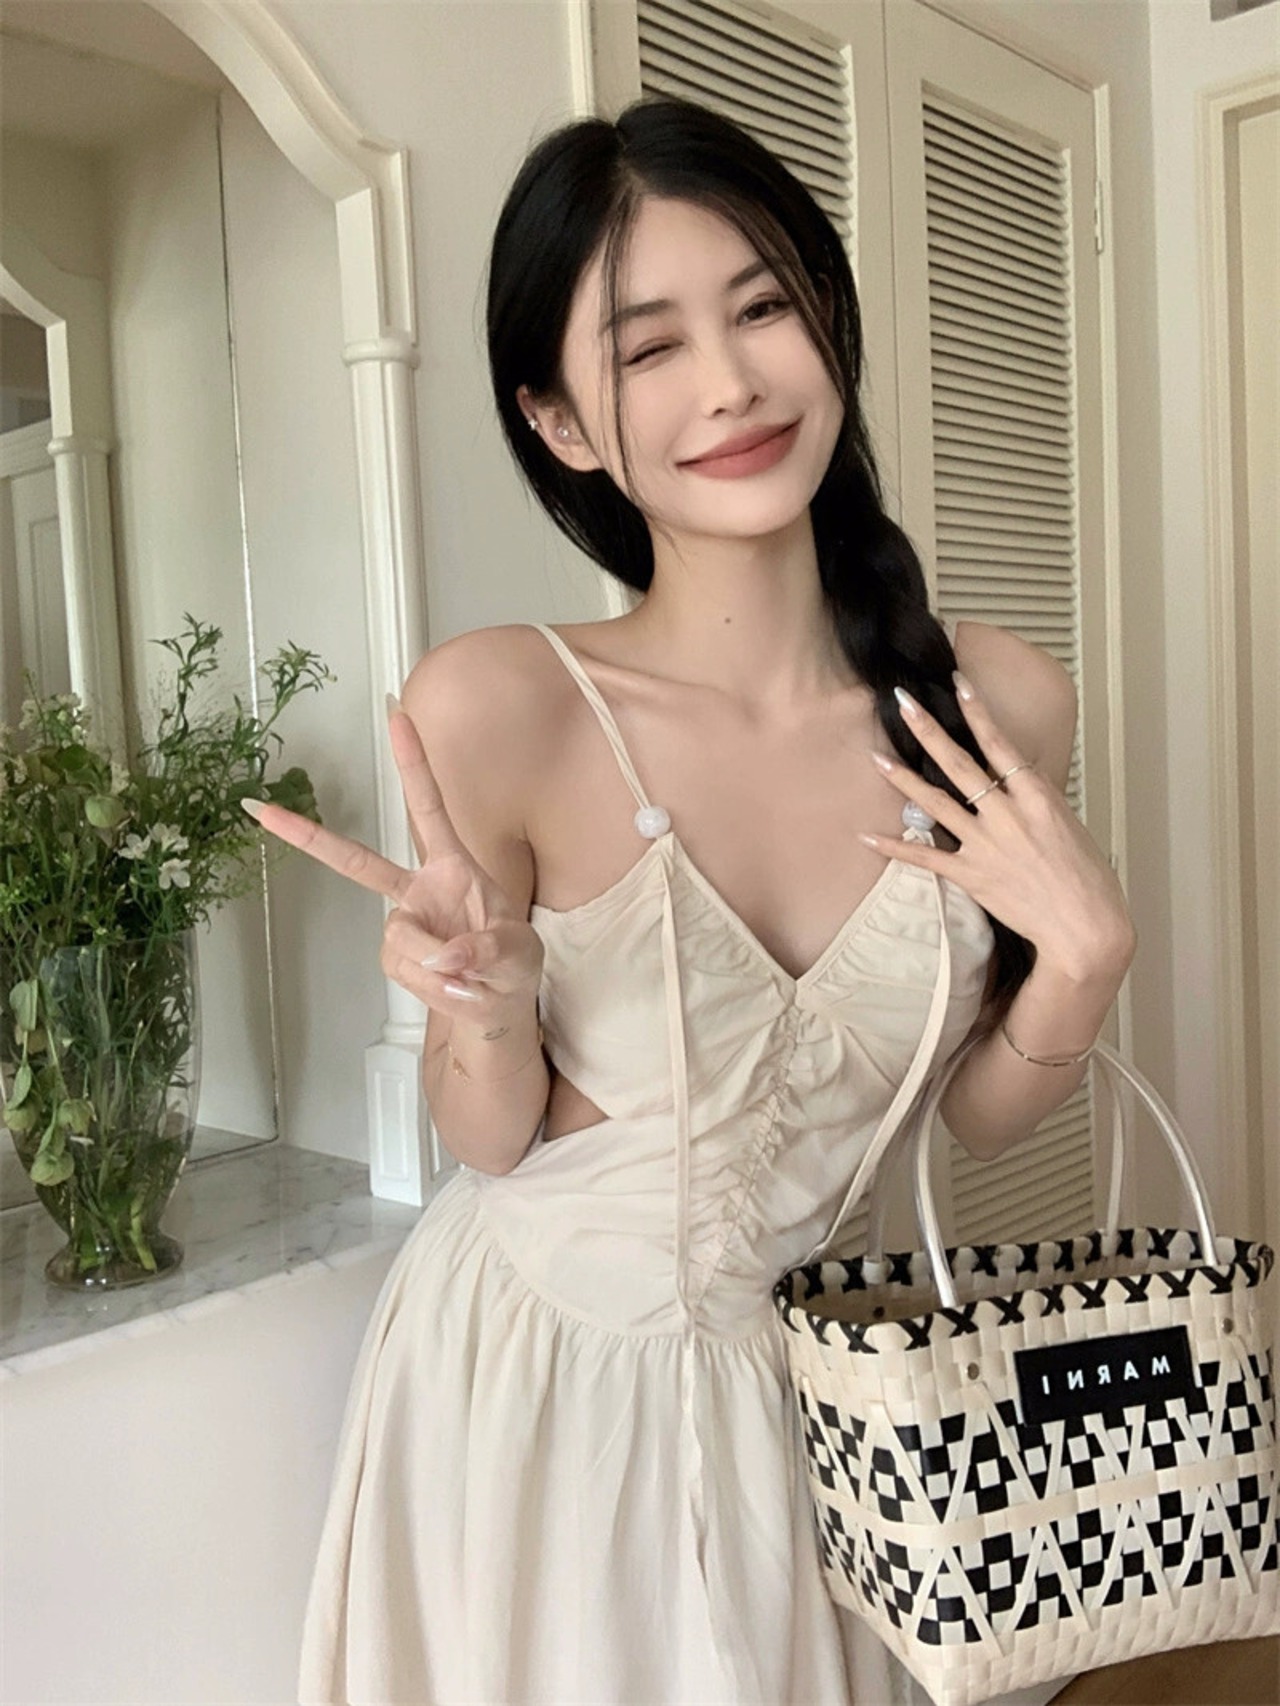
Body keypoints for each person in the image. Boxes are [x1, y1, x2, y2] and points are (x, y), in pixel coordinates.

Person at [252, 96, 1135, 1706]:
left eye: (762, 307)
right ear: (562, 423)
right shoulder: (501, 705)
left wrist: (1082, 966)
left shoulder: (996, 701)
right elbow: (494, 1139)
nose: (729, 382)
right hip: (544, 1405)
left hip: (831, 1399)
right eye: (648, 346)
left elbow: (978, 1113)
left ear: (828, 321)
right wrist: (485, 1009)